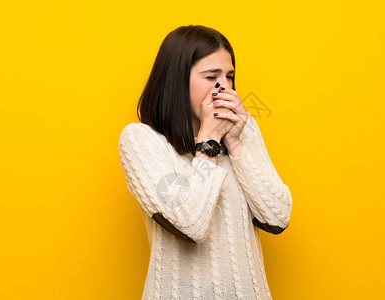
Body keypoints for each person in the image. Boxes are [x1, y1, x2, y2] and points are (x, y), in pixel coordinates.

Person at [118, 24, 293, 300]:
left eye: (230, 76)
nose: (224, 87)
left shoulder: (244, 131)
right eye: (212, 76)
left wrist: (235, 144)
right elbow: (189, 223)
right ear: (177, 80)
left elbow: (278, 215)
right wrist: (209, 141)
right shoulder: (142, 141)